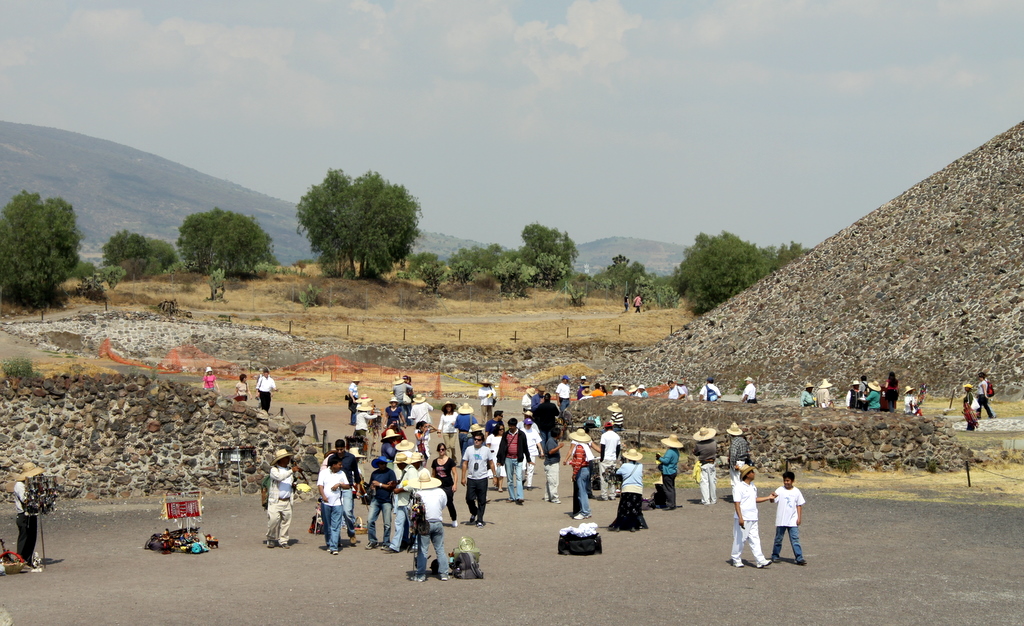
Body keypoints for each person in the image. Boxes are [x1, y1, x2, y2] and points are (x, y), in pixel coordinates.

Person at [410, 469, 448, 582]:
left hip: (424, 524)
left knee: (423, 550)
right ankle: (444, 574)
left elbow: (412, 509)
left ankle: (421, 575)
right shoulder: (440, 492)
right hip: (438, 522)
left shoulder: (418, 494)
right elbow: (443, 505)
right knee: (440, 549)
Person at [731, 466, 772, 568]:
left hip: (753, 516)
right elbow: (737, 503)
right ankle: (736, 559)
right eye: (752, 472)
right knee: (740, 539)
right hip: (744, 517)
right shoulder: (739, 487)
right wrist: (740, 517)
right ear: (747, 474)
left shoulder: (752, 486)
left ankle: (760, 560)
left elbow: (755, 499)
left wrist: (768, 497)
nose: (754, 473)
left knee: (755, 539)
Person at [384, 452, 420, 554]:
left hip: (409, 502)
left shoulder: (411, 471)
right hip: (402, 502)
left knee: (413, 525)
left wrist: (399, 490)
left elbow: (412, 485)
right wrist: (396, 483)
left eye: (398, 464)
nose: (397, 466)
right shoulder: (405, 471)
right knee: (398, 524)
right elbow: (405, 482)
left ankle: (416, 544)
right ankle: (395, 546)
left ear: (402, 463)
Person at [769, 471, 807, 565]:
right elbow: (773, 500)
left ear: (792, 481)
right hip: (781, 519)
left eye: (788, 481)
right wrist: (772, 497)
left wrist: (799, 518)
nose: (786, 482)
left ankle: (799, 557)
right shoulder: (780, 490)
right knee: (778, 539)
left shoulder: (796, 491)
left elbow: (799, 505)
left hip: (792, 519)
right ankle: (775, 555)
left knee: (795, 539)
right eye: (785, 480)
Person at [461, 430, 496, 528]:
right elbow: (465, 463)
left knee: (482, 500)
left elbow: (491, 463)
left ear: (482, 441)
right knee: (469, 499)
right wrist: (463, 477)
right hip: (471, 478)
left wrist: (495, 476)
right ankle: (474, 512)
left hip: (482, 478)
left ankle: (480, 520)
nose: (476, 441)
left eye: (478, 440)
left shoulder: (486, 450)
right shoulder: (469, 449)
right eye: (475, 439)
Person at [13, 462, 43, 568]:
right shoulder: (19, 485)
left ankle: (28, 559)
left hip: (32, 513)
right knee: (24, 537)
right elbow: (25, 499)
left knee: (32, 537)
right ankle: (20, 559)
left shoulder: (30, 484)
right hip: (23, 515)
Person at [608, 449, 647, 532]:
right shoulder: (640, 465)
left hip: (627, 488)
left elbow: (618, 472)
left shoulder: (625, 465)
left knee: (623, 508)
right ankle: (632, 526)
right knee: (635, 508)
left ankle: (618, 526)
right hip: (638, 489)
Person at [317, 453, 348, 555]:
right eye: (339, 464)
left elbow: (347, 486)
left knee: (336, 525)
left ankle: (334, 547)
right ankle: (329, 543)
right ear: (333, 465)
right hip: (326, 503)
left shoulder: (342, 474)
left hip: (338, 503)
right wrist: (323, 496)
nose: (341, 466)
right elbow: (320, 485)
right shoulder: (324, 473)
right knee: (327, 525)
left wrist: (339, 485)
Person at [266, 448, 298, 548]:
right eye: (286, 457)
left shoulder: (289, 470)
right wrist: (291, 471)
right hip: (276, 500)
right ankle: (271, 538)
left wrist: (294, 484)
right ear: (281, 459)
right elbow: (279, 477)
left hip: (287, 500)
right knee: (273, 521)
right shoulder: (274, 470)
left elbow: (291, 481)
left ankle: (283, 540)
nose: (288, 459)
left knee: (286, 522)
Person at [497, 417, 531, 505]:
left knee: (519, 477)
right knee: (510, 479)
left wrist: (528, 459)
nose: (510, 427)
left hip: (518, 459)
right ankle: (512, 496)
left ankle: (520, 496)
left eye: (512, 426)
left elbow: (525, 447)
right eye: (509, 426)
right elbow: (501, 447)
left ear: (515, 425)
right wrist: (499, 459)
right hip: (508, 458)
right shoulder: (506, 434)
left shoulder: (521, 434)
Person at [365, 456, 396, 550]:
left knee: (387, 523)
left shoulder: (390, 473)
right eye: (381, 463)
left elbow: (392, 487)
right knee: (370, 520)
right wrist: (372, 487)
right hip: (376, 499)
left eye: (384, 463)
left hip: (387, 500)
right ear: (378, 464)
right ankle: (372, 541)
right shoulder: (374, 473)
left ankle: (386, 542)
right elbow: (370, 485)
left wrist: (380, 484)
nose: (383, 465)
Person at [565, 428, 595, 520]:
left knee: (582, 492)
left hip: (581, 470)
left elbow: (578, 462)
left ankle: (585, 512)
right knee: (583, 491)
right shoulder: (585, 447)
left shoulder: (579, 448)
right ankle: (585, 511)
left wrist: (574, 473)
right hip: (585, 469)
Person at [431, 442, 459, 528]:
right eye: (439, 450)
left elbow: (455, 473)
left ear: (445, 450)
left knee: (449, 502)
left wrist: (455, 484)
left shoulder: (450, 461)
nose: (441, 451)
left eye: (442, 449)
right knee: (437, 503)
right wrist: (432, 485)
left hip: (448, 485)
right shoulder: (435, 462)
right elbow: (433, 474)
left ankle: (454, 519)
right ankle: (437, 519)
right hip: (438, 486)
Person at [656, 434, 683, 510]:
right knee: (671, 488)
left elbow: (666, 461)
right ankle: (672, 503)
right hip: (673, 470)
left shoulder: (670, 452)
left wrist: (659, 458)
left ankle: (670, 504)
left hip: (668, 471)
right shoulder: (676, 451)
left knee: (667, 488)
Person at [693, 427, 718, 506]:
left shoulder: (698, 445)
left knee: (704, 482)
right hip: (712, 463)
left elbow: (696, 453)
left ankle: (706, 500)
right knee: (712, 482)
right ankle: (713, 499)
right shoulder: (713, 442)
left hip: (703, 463)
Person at [597, 421, 621, 501]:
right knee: (612, 477)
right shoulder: (616, 436)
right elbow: (618, 448)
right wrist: (615, 457)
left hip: (605, 458)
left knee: (604, 477)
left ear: (605, 428)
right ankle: (612, 494)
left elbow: (603, 448)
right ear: (612, 427)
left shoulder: (604, 435)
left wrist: (602, 458)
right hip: (612, 459)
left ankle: (604, 495)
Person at [520, 417, 544, 491]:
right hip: (523, 452)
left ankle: (529, 485)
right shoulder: (521, 431)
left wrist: (541, 450)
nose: (529, 426)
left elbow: (538, 442)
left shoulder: (534, 431)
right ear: (525, 424)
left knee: (530, 469)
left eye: (530, 424)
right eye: (527, 424)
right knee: (522, 468)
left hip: (532, 452)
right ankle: (523, 479)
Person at [542, 425, 563, 504]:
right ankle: (554, 498)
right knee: (553, 482)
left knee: (550, 481)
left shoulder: (553, 441)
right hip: (551, 464)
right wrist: (559, 447)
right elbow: (550, 451)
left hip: (552, 463)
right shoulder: (551, 441)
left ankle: (548, 496)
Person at [727, 422, 750, 491]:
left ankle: (737, 496)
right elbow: (748, 451)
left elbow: (733, 454)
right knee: (742, 481)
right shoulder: (743, 440)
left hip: (737, 462)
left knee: (735, 482)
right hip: (743, 462)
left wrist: (733, 465)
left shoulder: (734, 442)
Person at [486, 423, 506, 492]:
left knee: (501, 470)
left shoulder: (505, 437)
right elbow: (488, 446)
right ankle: (496, 483)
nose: (502, 431)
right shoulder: (491, 437)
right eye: (500, 429)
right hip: (493, 455)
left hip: (502, 455)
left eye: (503, 429)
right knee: (495, 470)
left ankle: (500, 486)